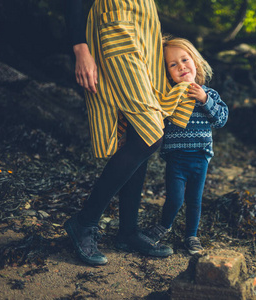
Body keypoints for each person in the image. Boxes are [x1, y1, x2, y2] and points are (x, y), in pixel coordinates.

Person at [63, 0, 196, 265]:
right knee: (150, 133)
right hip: (115, 25)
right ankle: (84, 222)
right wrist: (80, 48)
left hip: (147, 30)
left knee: (139, 132)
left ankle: (127, 231)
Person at [145, 36, 228, 255]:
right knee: (174, 198)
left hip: (200, 157)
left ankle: (191, 235)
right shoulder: (169, 96)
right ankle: (164, 225)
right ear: (167, 73)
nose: (181, 67)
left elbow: (221, 119)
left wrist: (204, 100)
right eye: (173, 65)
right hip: (176, 158)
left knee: (194, 200)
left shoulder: (208, 94)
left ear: (196, 62)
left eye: (184, 60)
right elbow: (159, 121)